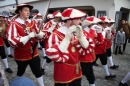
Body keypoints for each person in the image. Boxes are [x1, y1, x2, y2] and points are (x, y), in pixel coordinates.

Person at [46, 8, 89, 86]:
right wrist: (67, 38)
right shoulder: (56, 34)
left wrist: (81, 37)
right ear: (69, 20)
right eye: (78, 19)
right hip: (63, 69)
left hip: (76, 69)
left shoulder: (78, 31)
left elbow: (86, 47)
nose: (80, 21)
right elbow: (51, 54)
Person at [7, 4, 45, 86]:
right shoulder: (14, 24)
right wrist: (27, 37)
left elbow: (39, 35)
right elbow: (12, 41)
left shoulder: (33, 22)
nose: (28, 12)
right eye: (25, 10)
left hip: (34, 53)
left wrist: (40, 35)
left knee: (37, 71)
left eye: (28, 11)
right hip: (21, 55)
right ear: (20, 11)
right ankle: (17, 82)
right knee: (20, 72)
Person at [81, 16, 102, 86]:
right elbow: (89, 42)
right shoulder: (83, 32)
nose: (96, 25)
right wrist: (92, 31)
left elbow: (100, 41)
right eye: (94, 24)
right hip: (84, 58)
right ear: (90, 25)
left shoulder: (92, 32)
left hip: (91, 57)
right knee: (90, 76)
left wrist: (99, 32)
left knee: (85, 73)